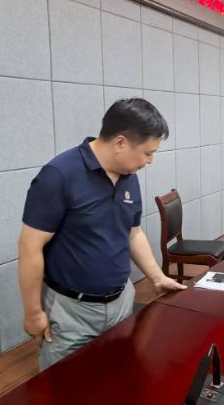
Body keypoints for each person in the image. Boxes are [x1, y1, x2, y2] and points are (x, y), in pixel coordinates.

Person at [18, 98, 185, 371]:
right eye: (147, 153)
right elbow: (29, 247)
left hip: (121, 302)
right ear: (120, 143)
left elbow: (133, 233)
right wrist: (33, 312)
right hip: (71, 312)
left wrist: (157, 276)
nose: (150, 161)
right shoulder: (59, 175)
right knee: (65, 387)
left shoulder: (128, 175)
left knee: (116, 379)